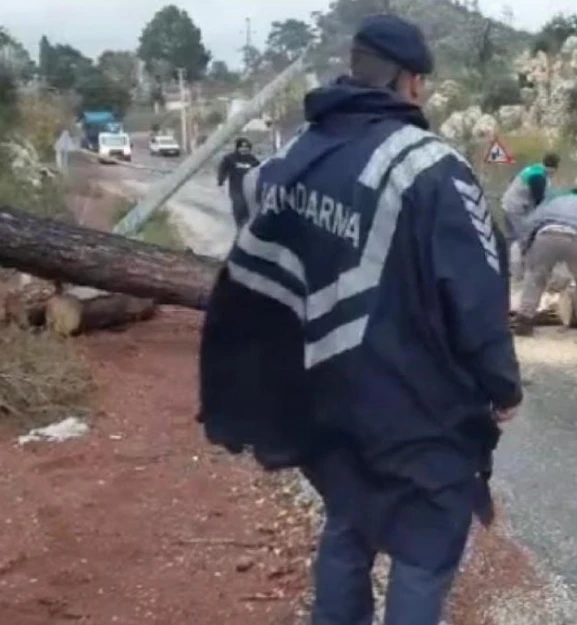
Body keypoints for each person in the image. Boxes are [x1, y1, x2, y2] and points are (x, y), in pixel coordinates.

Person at [196, 14, 522, 625]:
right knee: (425, 547)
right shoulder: (433, 167)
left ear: (355, 70)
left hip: (325, 395)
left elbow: (255, 226)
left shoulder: (303, 151)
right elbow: (475, 292)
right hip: (417, 410)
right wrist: (502, 384)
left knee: (349, 517)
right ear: (413, 83)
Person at [513, 187, 577, 339]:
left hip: (545, 234)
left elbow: (529, 223)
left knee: (535, 278)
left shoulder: (554, 200)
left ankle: (524, 322)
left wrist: (525, 251)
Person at [502, 153, 560, 273]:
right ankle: (523, 269)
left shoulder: (533, 169)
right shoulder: (538, 177)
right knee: (526, 238)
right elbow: (539, 201)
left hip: (507, 204)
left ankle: (506, 268)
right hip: (517, 209)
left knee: (511, 238)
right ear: (554, 168)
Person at [217, 137, 261, 228]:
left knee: (249, 208)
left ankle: (248, 225)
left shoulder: (253, 160)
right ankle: (240, 225)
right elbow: (222, 170)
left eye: (246, 148)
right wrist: (221, 182)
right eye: (241, 147)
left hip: (250, 188)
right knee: (239, 205)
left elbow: (260, 171)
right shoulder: (230, 158)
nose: (244, 150)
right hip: (236, 188)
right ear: (237, 148)